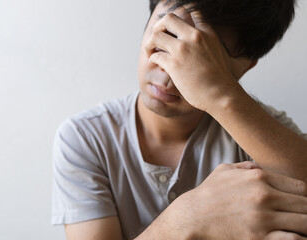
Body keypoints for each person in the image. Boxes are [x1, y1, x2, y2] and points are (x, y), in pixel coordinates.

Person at [51, 0, 307, 239]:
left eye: (205, 57)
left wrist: (220, 92)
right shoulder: (86, 138)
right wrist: (188, 218)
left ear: (245, 66)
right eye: (167, 36)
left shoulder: (264, 136)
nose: (167, 75)